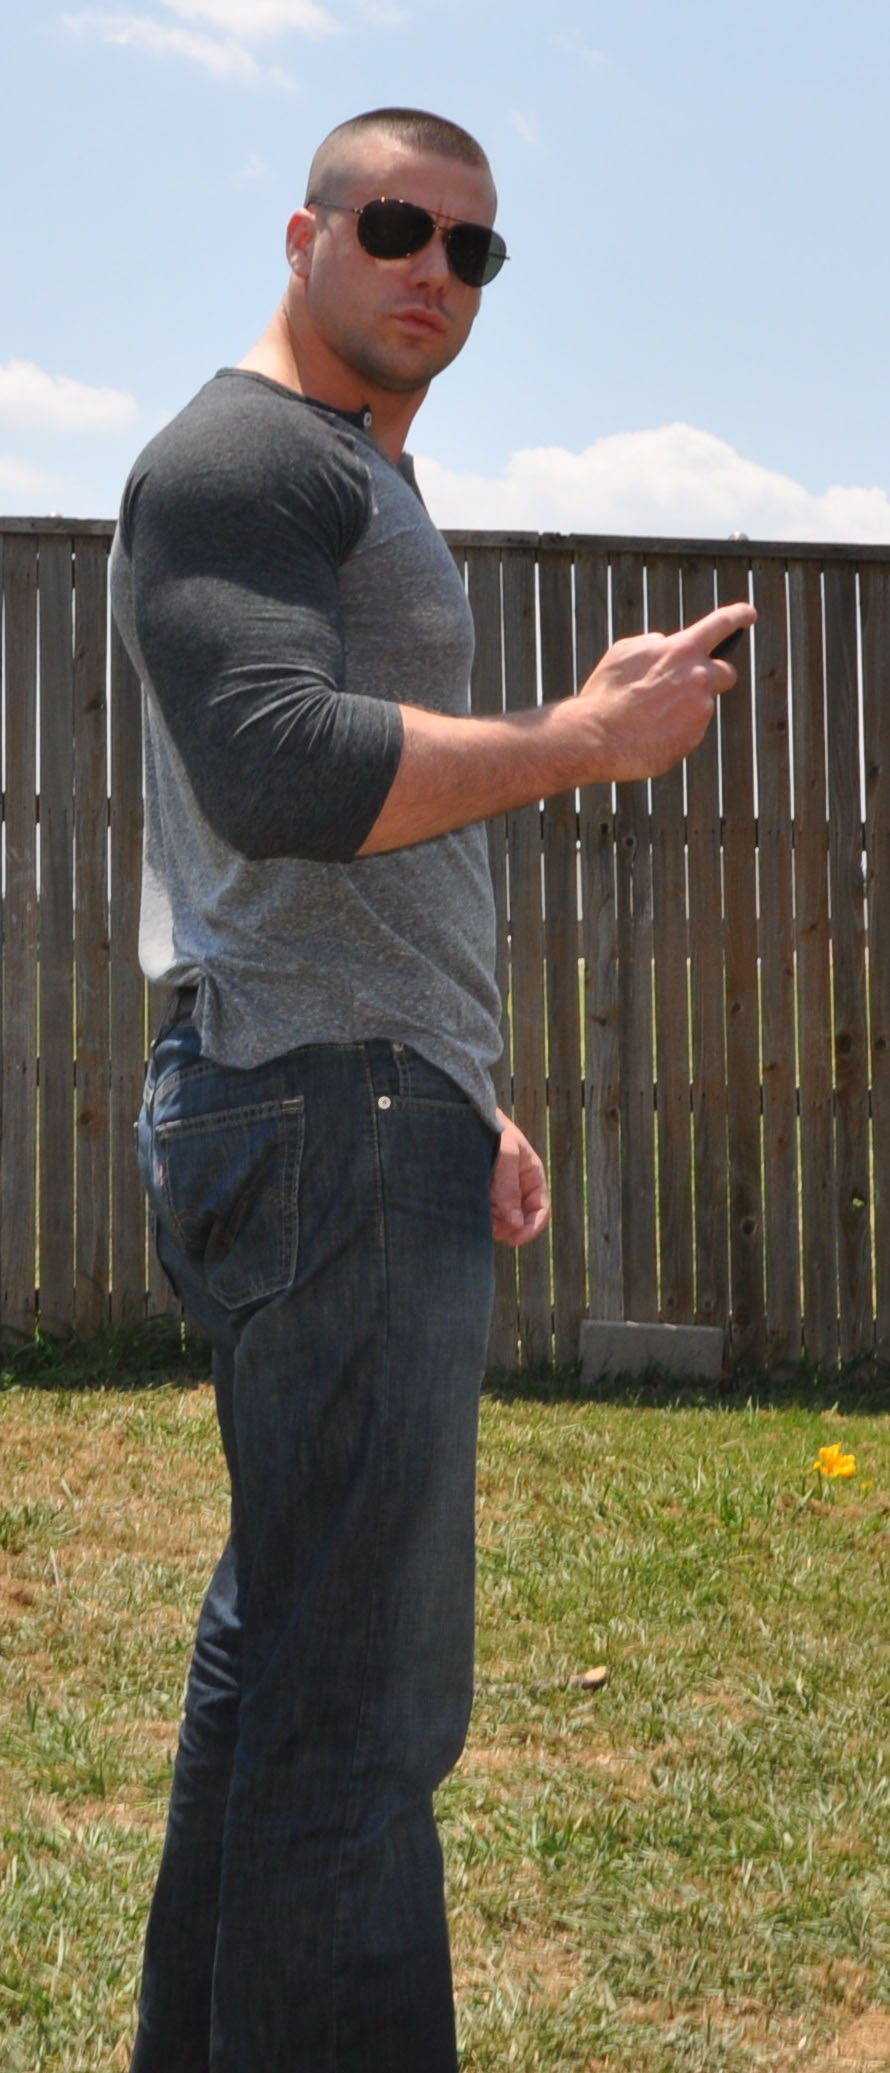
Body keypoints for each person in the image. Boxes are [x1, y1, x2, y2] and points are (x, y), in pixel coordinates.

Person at [110, 104, 754, 2073]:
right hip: (326, 1116)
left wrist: (463, 1084)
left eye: (473, 249)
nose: (434, 271)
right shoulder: (242, 457)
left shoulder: (355, 467)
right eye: (398, 225)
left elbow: (320, 839)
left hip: (362, 1097)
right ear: (305, 232)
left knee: (286, 1655)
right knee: (363, 1709)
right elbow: (280, 776)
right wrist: (579, 739)